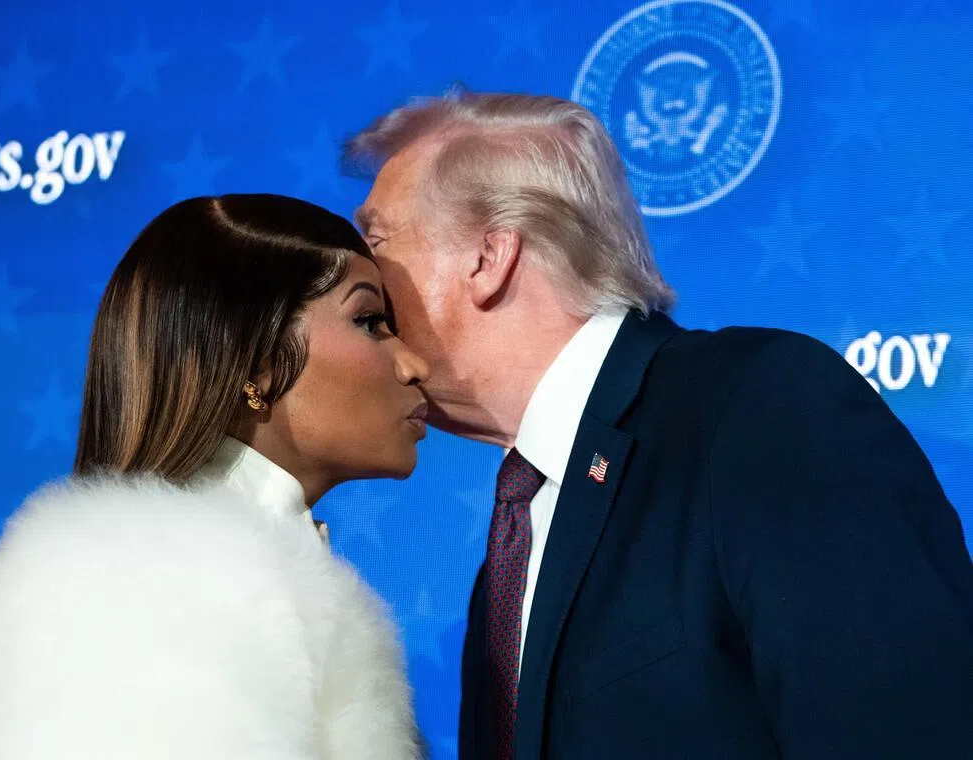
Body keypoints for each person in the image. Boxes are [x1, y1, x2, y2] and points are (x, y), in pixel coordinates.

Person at [345, 91, 973, 759]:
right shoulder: (514, 545)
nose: (359, 277)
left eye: (376, 241)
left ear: (487, 256)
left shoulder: (757, 407)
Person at [0, 194, 429, 760]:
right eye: (370, 321)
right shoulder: (162, 589)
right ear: (256, 360)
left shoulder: (161, 575)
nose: (415, 365)